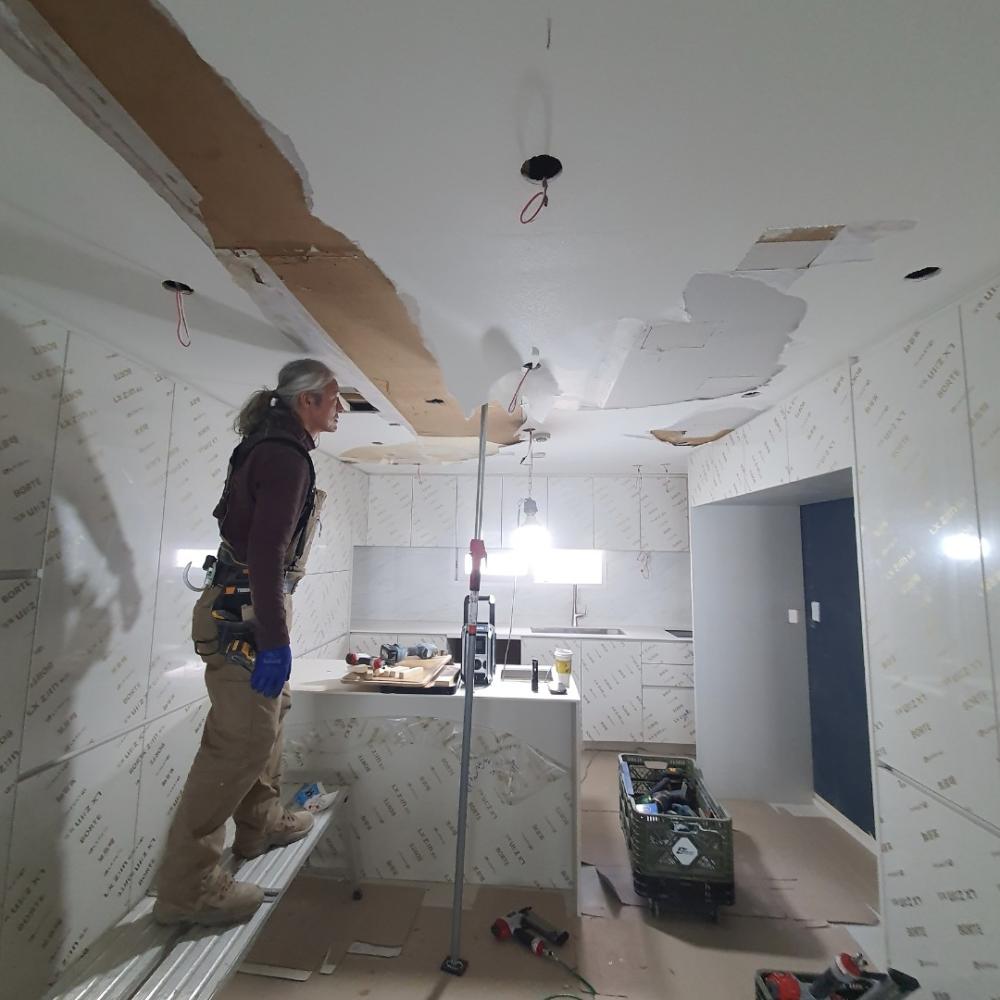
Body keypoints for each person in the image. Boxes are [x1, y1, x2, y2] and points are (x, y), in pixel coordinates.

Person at [154, 359, 344, 926]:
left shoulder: (273, 445)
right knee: (240, 740)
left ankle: (260, 822)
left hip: (250, 604)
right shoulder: (285, 457)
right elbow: (265, 550)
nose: (340, 408)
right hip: (245, 611)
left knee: (271, 714)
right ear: (307, 401)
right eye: (334, 397)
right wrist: (274, 639)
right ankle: (189, 887)